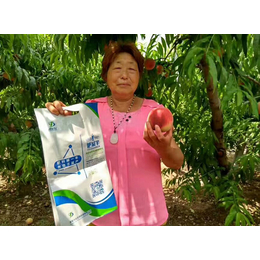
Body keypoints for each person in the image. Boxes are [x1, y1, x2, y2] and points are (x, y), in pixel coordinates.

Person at [45, 41, 184, 226]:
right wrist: (58, 116)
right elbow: (69, 150)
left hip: (149, 217)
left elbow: (177, 162)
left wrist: (165, 148)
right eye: (117, 68)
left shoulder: (155, 113)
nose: (124, 75)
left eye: (132, 70)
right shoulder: (90, 111)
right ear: (105, 75)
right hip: (102, 218)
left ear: (140, 76)